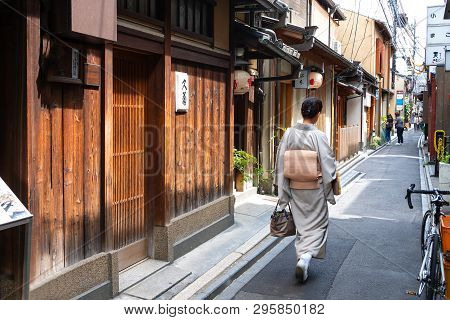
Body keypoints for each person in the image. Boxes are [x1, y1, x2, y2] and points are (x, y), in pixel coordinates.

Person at [275, 97, 337, 283]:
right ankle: (306, 257)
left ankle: (302, 256)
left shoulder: (289, 134)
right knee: (319, 225)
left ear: (303, 112)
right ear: (317, 114)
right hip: (315, 188)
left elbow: (280, 161)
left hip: (295, 187)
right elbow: (327, 162)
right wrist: (330, 183)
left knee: (302, 226)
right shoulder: (318, 136)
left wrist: (283, 189)